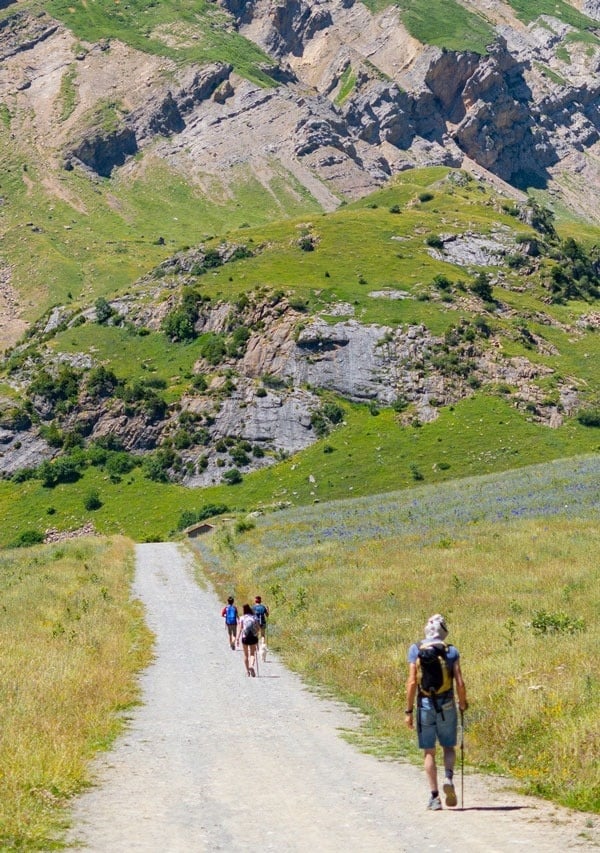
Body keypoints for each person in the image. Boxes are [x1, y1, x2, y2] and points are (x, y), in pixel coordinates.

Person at [405, 613, 468, 811]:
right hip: (447, 703)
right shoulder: (451, 651)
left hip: (424, 704)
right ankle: (448, 777)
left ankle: (434, 797)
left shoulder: (415, 649)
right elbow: (459, 681)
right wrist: (463, 702)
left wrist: (408, 711)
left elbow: (412, 682)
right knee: (448, 746)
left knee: (429, 752)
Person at [236, 603, 259, 676]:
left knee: (246, 655)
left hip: (245, 637)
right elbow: (258, 628)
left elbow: (240, 629)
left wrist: (237, 638)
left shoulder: (242, 618)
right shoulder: (254, 617)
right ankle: (251, 666)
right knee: (252, 654)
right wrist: (256, 635)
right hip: (253, 637)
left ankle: (247, 672)